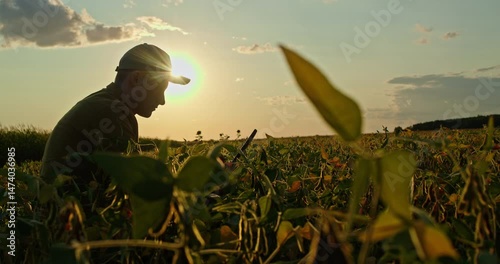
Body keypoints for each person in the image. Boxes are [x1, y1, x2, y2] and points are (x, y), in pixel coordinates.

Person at [40, 43, 190, 189]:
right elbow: (132, 185)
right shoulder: (111, 111)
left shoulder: (110, 106)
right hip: (67, 208)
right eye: (160, 89)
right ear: (136, 78)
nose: (162, 101)